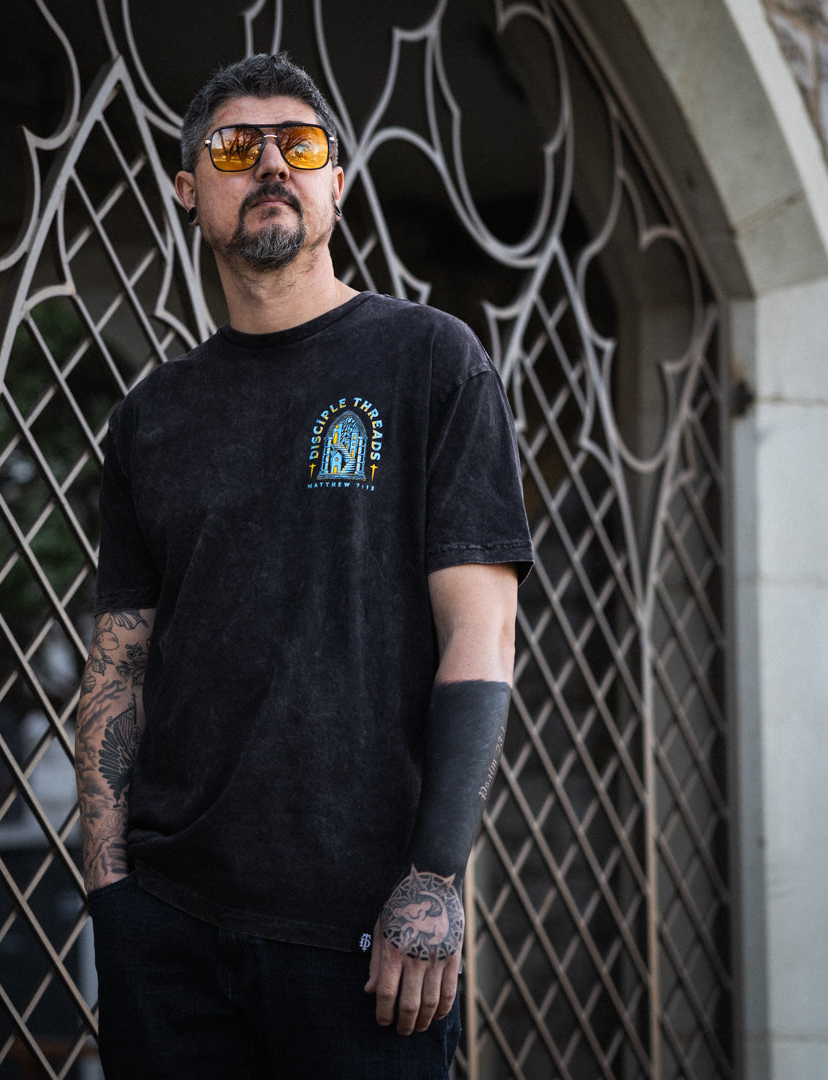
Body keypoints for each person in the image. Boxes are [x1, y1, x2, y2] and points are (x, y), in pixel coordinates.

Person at [75, 51, 533, 1079]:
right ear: (192, 190)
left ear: (338, 181)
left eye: (302, 144)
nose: (272, 162)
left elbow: (480, 635)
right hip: (171, 931)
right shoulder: (153, 414)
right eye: (237, 147)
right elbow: (119, 661)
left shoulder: (429, 360)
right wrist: (113, 896)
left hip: (366, 935)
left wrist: (433, 879)